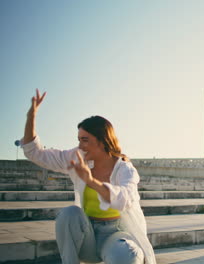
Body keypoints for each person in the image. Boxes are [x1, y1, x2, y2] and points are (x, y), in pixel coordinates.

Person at [21, 89, 156, 264]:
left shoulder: (125, 169)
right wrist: (31, 115)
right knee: (69, 214)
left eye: (85, 139)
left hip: (116, 235)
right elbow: (36, 153)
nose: (80, 145)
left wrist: (90, 181)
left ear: (102, 140)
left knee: (127, 254)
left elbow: (124, 198)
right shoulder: (78, 157)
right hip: (87, 234)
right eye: (79, 139)